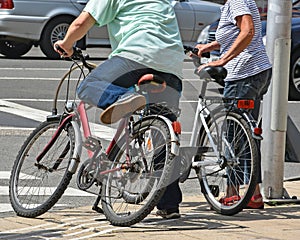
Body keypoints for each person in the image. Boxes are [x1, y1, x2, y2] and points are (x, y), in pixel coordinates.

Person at [53, 0, 184, 219]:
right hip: (172, 66)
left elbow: (80, 24)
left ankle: (125, 97)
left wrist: (66, 44)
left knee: (88, 86)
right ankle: (169, 205)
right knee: (163, 134)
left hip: (136, 56)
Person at [195, 0, 272, 209]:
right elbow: (237, 34)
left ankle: (233, 193)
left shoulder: (237, 1)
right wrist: (210, 47)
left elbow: (247, 31)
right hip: (257, 71)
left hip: (243, 73)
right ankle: (253, 194)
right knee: (246, 133)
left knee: (232, 135)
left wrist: (222, 60)